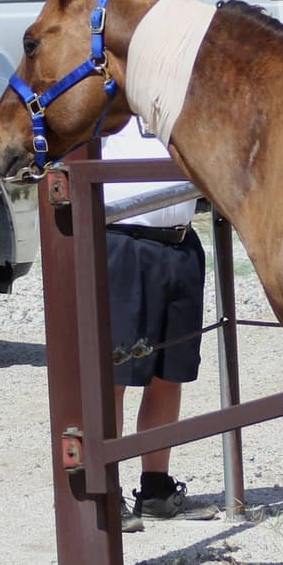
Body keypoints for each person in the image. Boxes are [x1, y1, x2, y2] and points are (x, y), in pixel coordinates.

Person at [101, 122, 219, 532]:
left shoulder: (176, 99)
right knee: (114, 376)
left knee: (170, 374)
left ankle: (156, 490)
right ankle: (106, 492)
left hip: (180, 243)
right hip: (123, 241)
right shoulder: (112, 102)